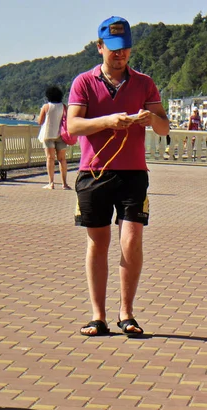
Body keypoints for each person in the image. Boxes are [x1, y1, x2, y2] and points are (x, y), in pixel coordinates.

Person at [67, 16, 170, 336]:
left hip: (133, 174)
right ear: (99, 48)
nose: (119, 54)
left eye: (124, 48)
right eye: (112, 49)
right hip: (93, 173)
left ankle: (127, 313)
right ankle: (98, 315)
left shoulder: (144, 83)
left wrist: (149, 117)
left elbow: (164, 127)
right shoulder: (83, 82)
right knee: (98, 243)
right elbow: (73, 126)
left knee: (131, 240)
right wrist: (109, 121)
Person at [37, 86, 71, 190]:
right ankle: (64, 184)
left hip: (48, 135)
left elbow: (40, 121)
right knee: (62, 159)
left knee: (50, 159)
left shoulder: (46, 107)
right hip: (61, 135)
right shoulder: (64, 107)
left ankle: (51, 183)